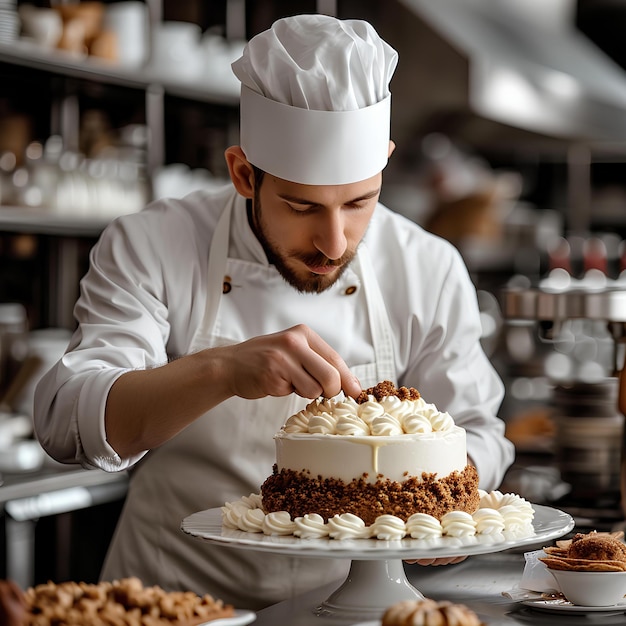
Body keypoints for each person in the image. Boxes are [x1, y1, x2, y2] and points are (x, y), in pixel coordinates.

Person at [34, 14, 515, 610]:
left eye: (360, 202)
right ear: (243, 174)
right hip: (174, 597)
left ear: (386, 164)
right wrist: (222, 371)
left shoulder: (427, 266)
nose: (335, 242)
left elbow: (478, 430)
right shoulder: (153, 243)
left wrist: (439, 509)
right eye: (301, 206)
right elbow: (67, 422)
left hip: (358, 607)